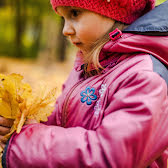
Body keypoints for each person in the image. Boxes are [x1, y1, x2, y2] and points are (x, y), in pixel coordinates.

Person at [1, 0, 168, 167]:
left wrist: (28, 142)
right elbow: (61, 120)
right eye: (63, 18)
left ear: (115, 12)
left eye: (74, 13)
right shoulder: (87, 66)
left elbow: (111, 156)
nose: (65, 30)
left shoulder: (144, 77)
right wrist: (23, 124)